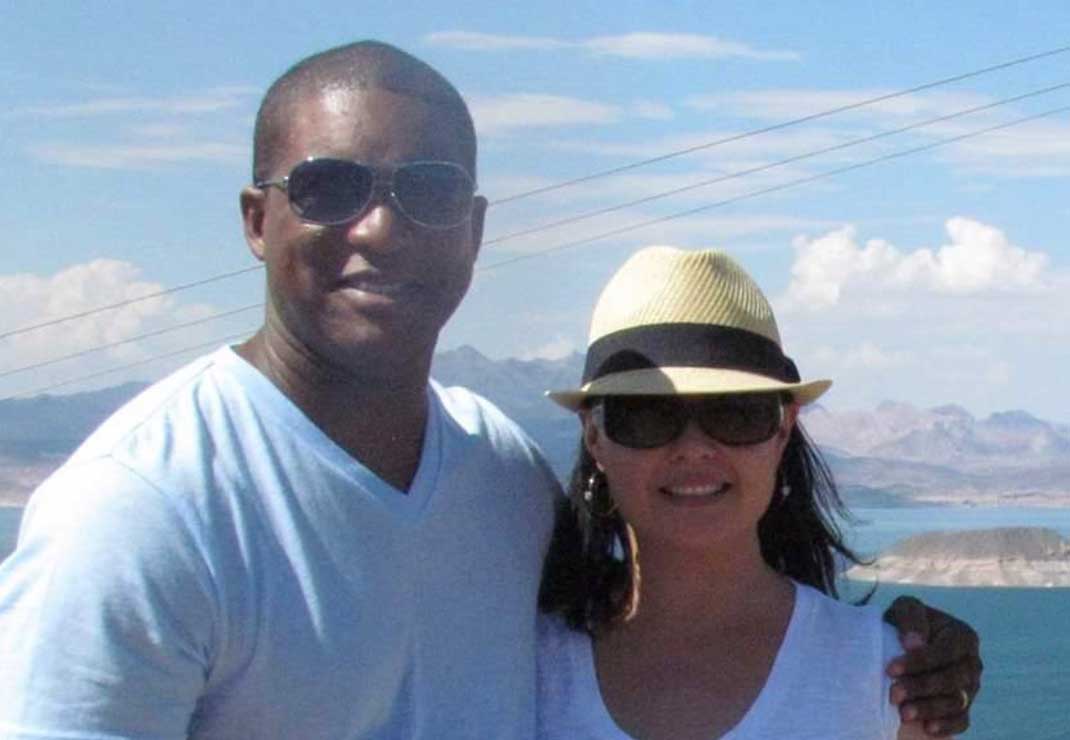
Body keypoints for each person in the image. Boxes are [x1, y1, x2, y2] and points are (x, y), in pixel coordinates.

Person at [0, 42, 977, 738]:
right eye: (331, 186)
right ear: (258, 219)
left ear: (470, 228)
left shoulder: (495, 474)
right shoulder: (140, 510)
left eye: (423, 190)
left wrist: (910, 653)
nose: (379, 228)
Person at [537, 246, 974, 739]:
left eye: (735, 412)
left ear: (784, 428)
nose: (694, 448)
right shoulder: (523, 669)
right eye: (647, 415)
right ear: (593, 435)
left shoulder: (883, 678)